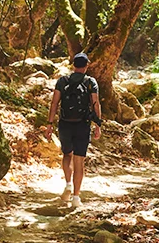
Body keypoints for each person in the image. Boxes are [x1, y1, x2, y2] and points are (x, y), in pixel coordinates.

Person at [45, 52, 102, 208]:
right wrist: (98, 125)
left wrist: (49, 124)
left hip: (65, 124)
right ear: (87, 65)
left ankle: (68, 184)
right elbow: (95, 104)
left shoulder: (63, 81)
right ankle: (76, 197)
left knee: (67, 155)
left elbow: (54, 103)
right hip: (83, 125)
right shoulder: (90, 82)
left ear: (73, 65)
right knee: (79, 160)